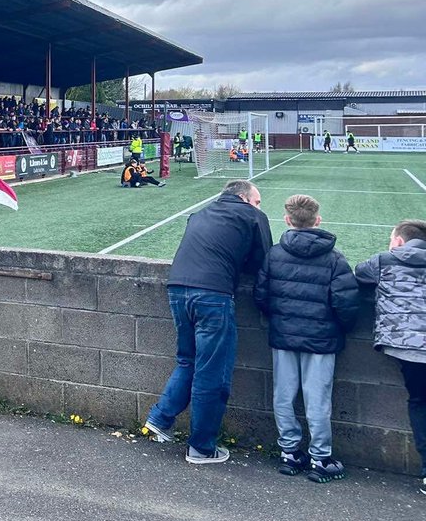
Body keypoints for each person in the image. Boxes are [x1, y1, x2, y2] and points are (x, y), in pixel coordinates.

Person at [143, 179, 272, 464]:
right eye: (257, 201)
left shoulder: (199, 214)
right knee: (212, 372)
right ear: (244, 198)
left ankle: (161, 418)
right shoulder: (253, 216)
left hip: (177, 289)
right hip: (213, 294)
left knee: (188, 361)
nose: (259, 206)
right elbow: (264, 262)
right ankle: (201, 447)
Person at [253, 194, 358, 482]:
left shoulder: (274, 254)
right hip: (321, 340)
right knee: (318, 399)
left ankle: (289, 453)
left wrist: (279, 319)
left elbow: (261, 295)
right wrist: (340, 328)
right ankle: (320, 458)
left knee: (283, 396)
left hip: (284, 336)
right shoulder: (335, 258)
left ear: (287, 220)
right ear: (318, 220)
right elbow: (346, 303)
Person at [355, 219, 426, 496]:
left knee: (419, 402)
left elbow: (360, 273)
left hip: (408, 348)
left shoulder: (384, 260)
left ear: (398, 241)